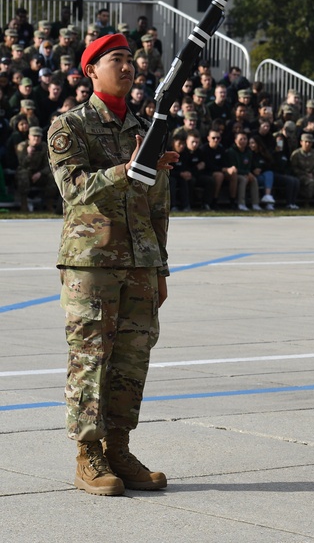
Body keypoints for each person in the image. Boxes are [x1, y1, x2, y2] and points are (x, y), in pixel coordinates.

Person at [46, 33, 179, 496]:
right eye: (116, 60)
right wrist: (128, 169)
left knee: (131, 360)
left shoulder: (148, 125)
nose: (128, 67)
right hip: (93, 262)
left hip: (141, 262)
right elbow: (74, 189)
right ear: (91, 71)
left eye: (131, 60)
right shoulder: (70, 126)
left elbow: (159, 203)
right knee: (90, 359)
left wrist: (160, 267)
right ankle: (89, 454)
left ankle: (119, 448)